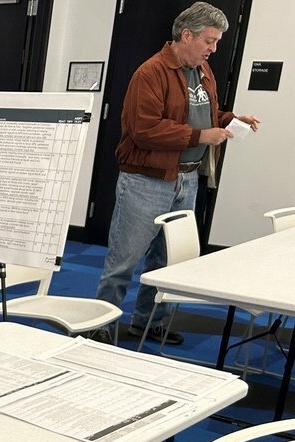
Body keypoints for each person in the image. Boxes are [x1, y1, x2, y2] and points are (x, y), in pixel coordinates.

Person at [92, 2, 259, 346]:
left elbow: (203, 114)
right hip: (146, 181)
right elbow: (144, 130)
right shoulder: (150, 73)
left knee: (167, 259)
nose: (213, 49)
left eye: (216, 42)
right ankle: (100, 324)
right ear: (187, 35)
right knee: (125, 258)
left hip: (187, 178)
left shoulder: (203, 71)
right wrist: (200, 137)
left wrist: (230, 119)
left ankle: (148, 322)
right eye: (209, 41)